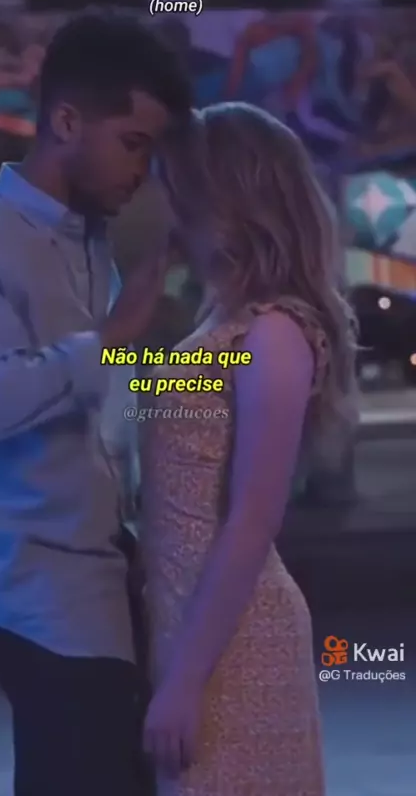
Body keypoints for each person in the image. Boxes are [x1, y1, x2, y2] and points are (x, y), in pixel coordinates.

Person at [0, 13, 190, 796]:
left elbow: (106, 397)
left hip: (104, 572)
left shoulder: (90, 241)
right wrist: (111, 337)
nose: (141, 171)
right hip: (35, 588)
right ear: (68, 122)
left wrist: (217, 375)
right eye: (133, 143)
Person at [140, 103, 357, 794]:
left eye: (177, 184)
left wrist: (185, 680)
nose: (165, 201)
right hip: (188, 622)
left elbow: (253, 519)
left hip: (234, 643)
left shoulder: (274, 333)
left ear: (222, 196)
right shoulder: (223, 319)